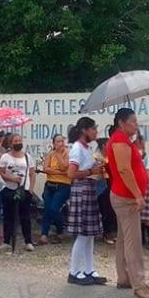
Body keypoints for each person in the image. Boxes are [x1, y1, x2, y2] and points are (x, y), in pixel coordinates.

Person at [106, 108, 149, 298]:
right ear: (121, 123)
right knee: (133, 242)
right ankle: (139, 285)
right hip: (126, 197)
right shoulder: (119, 140)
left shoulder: (125, 141)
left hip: (124, 196)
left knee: (124, 239)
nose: (136, 124)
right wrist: (138, 195)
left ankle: (124, 277)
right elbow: (125, 170)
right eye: (133, 121)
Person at [66, 117, 107, 286]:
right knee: (83, 233)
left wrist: (96, 170)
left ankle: (89, 269)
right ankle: (74, 271)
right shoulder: (77, 148)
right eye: (94, 129)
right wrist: (92, 170)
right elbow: (71, 173)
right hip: (81, 189)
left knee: (90, 234)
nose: (96, 132)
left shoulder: (86, 148)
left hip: (89, 189)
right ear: (84, 130)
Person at [0, 133, 37, 252]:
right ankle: (7, 241)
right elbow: (0, 172)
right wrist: (11, 179)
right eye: (15, 141)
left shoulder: (27, 157)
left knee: (25, 216)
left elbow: (32, 173)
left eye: (19, 140)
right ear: (10, 143)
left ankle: (28, 241)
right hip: (9, 188)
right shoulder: (5, 157)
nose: (18, 142)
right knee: (8, 215)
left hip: (24, 189)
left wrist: (31, 188)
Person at [38, 134, 70, 245]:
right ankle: (44, 234)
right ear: (54, 143)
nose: (60, 143)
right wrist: (59, 173)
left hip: (63, 185)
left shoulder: (67, 153)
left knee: (54, 208)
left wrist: (59, 155)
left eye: (62, 141)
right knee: (47, 209)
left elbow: (65, 167)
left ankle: (60, 231)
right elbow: (46, 169)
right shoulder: (50, 154)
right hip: (50, 184)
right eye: (58, 141)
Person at [94, 137, 116, 246]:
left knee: (111, 210)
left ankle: (109, 232)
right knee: (105, 210)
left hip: (111, 184)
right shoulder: (96, 157)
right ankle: (105, 234)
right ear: (103, 146)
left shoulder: (110, 156)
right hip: (101, 186)